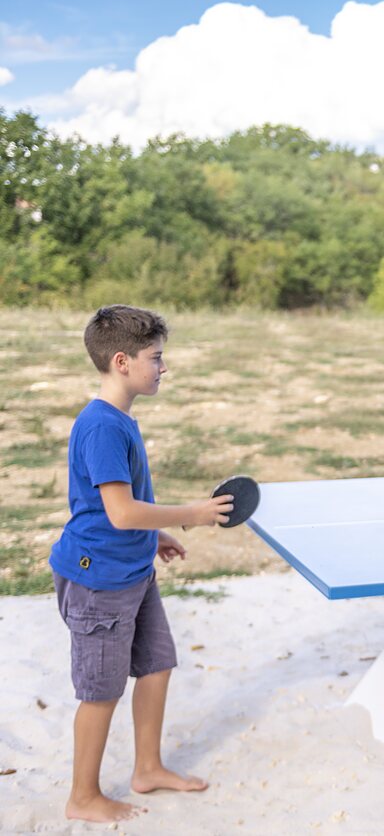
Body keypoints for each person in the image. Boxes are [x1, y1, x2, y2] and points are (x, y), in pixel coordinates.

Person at [49, 305, 233, 822]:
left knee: (156, 664)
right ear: (123, 361)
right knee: (100, 692)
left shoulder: (119, 418)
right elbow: (119, 510)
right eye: (157, 358)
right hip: (97, 580)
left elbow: (119, 510)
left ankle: (147, 768)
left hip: (132, 569)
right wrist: (193, 514)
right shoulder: (103, 427)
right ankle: (82, 797)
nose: (164, 368)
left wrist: (153, 538)